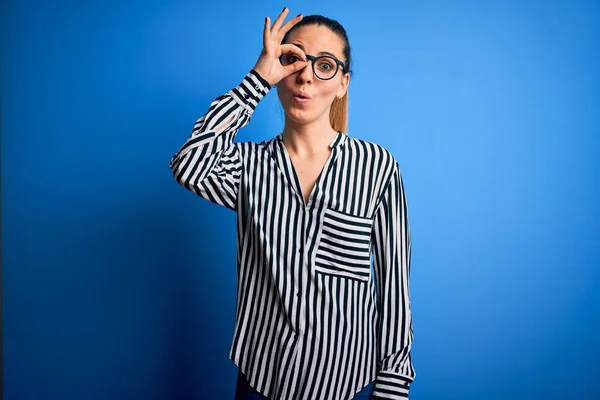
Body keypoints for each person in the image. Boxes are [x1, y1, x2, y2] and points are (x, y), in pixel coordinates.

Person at [169, 7, 415, 400]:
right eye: (293, 59)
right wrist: (257, 79)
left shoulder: (377, 167)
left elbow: (394, 288)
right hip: (261, 382)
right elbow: (189, 164)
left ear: (343, 83)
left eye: (325, 66)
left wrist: (392, 388)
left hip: (346, 384)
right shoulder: (247, 167)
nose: (305, 76)